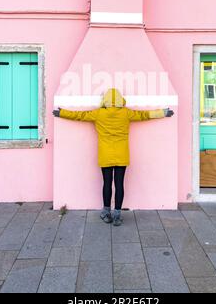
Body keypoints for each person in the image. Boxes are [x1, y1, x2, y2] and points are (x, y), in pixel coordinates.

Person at [53, 88, 174, 226]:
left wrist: (61, 112)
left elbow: (79, 115)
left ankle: (106, 212)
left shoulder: (98, 113)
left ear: (105, 100)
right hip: (122, 154)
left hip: (105, 154)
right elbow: (144, 115)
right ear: (120, 100)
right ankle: (117, 214)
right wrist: (164, 112)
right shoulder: (126, 113)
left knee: (107, 183)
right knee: (119, 184)